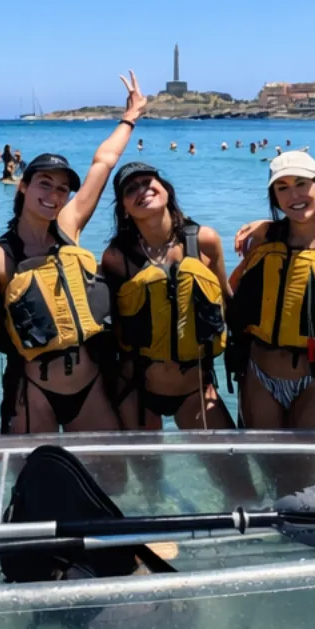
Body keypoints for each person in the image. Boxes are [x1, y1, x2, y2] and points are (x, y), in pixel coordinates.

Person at [0, 74, 147, 452]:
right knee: (36, 476)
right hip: (33, 390)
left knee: (112, 476)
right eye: (45, 183)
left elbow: (103, 163)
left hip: (89, 385)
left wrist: (131, 117)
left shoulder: (68, 228)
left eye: (62, 189)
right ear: (24, 186)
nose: (54, 195)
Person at [229, 154, 315, 465]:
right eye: (282, 188)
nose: (294, 195)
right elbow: (236, 299)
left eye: (302, 184)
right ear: (274, 198)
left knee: (306, 475)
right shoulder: (262, 239)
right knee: (269, 472)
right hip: (259, 376)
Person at [99, 163, 232, 431]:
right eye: (131, 189)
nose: (142, 190)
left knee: (232, 459)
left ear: (166, 190)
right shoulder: (117, 257)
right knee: (146, 462)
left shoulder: (204, 241)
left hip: (195, 388)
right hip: (137, 389)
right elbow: (112, 326)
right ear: (124, 208)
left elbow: (226, 301)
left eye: (148, 182)